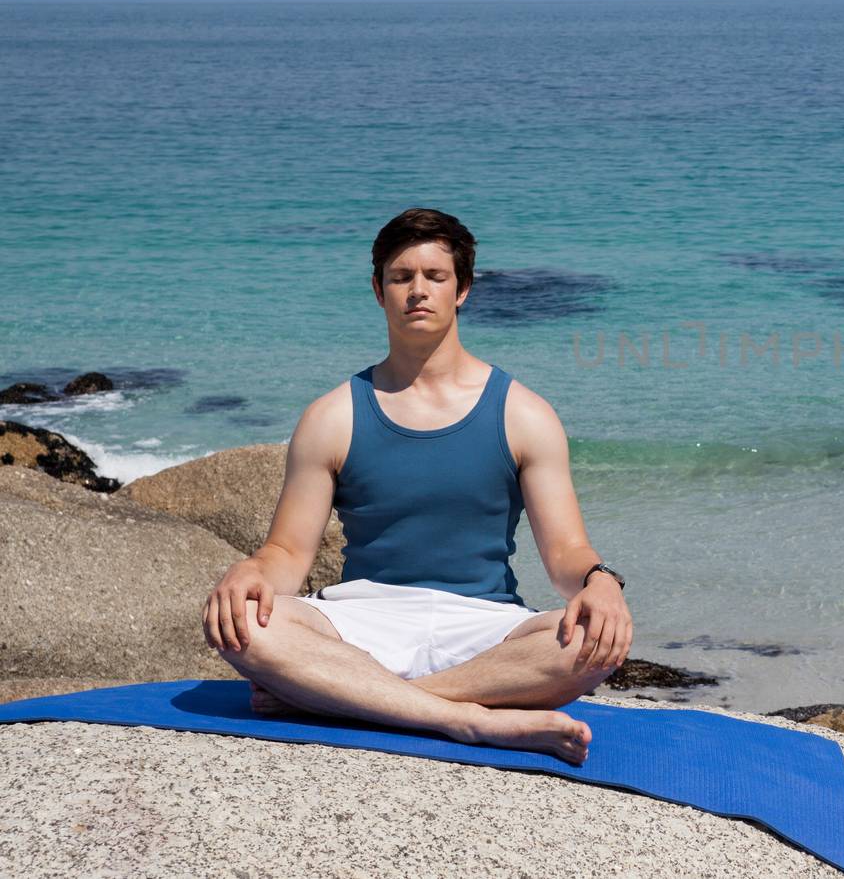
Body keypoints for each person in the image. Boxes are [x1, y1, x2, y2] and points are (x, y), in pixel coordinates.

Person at [200, 208, 631, 764]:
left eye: (436, 277)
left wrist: (601, 583)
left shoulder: (524, 414)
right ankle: (467, 718)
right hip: (362, 619)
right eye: (402, 277)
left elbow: (566, 553)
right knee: (247, 627)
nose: (418, 291)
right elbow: (287, 554)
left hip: (483, 625)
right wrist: (252, 571)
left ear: (464, 289)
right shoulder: (333, 416)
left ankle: (351, 698)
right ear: (379, 291)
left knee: (595, 644)